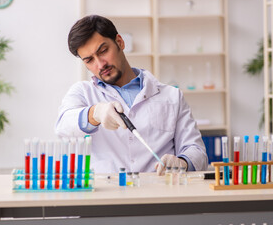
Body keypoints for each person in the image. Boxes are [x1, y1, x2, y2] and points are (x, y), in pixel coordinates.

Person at [55, 15, 208, 175]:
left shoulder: (171, 96)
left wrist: (182, 162)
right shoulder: (83, 93)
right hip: (107, 195)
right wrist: (95, 113)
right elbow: (63, 127)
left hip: (159, 191)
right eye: (89, 60)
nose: (100, 64)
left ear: (120, 42)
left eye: (103, 51)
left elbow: (197, 151)